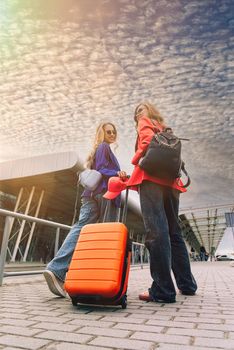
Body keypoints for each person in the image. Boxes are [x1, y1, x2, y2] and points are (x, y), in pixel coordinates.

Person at [43, 122, 127, 297]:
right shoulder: (104, 147)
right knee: (104, 235)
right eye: (108, 132)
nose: (112, 134)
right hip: (104, 194)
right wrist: (119, 174)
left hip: (90, 195)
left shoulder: (99, 149)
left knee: (80, 229)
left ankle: (60, 269)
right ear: (102, 134)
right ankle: (94, 276)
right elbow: (103, 168)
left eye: (113, 132)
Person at [127, 101, 197, 303]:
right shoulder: (165, 128)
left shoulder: (145, 122)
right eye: (136, 112)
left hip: (151, 180)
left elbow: (146, 143)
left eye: (141, 109)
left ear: (149, 110)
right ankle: (187, 285)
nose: (138, 113)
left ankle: (163, 289)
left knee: (156, 232)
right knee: (174, 232)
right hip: (172, 183)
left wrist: (137, 160)